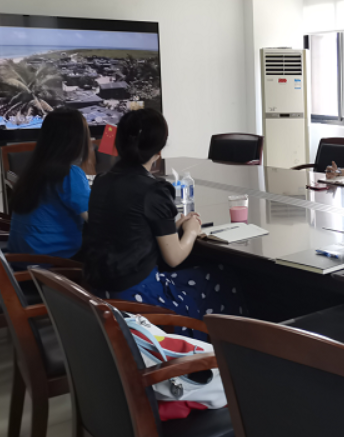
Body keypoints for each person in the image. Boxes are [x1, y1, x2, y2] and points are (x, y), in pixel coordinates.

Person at [82, 108, 245, 330]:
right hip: (140, 300)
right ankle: (228, 345)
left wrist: (169, 228)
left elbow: (126, 229)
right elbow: (174, 257)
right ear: (158, 151)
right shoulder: (153, 190)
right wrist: (191, 230)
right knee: (224, 277)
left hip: (101, 295)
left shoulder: (102, 181)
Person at [8, 109, 91, 259]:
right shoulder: (69, 174)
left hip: (20, 259)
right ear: (76, 139)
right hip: (53, 262)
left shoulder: (33, 170)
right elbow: (95, 219)